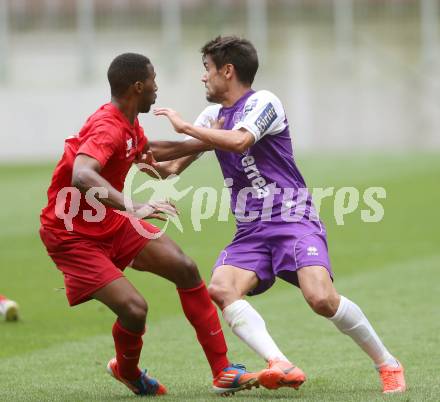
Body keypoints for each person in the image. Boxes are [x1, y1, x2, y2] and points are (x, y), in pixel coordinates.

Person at [152, 36, 406, 394]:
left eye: (207, 69)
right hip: (251, 230)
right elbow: (173, 164)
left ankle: (388, 363)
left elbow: (239, 141)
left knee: (321, 299)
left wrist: (186, 127)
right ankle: (280, 363)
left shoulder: (264, 102)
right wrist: (127, 149)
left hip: (293, 220)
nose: (203, 77)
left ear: (228, 70)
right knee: (222, 288)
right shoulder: (213, 116)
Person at [39, 52, 259, 397]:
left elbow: (152, 150)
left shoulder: (127, 124)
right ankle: (127, 371)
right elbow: (83, 174)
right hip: (71, 234)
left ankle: (223, 371)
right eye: (153, 81)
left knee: (185, 268)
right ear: (138, 86)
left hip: (106, 219)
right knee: (135, 309)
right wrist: (136, 206)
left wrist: (208, 140)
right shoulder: (107, 126)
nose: (157, 88)